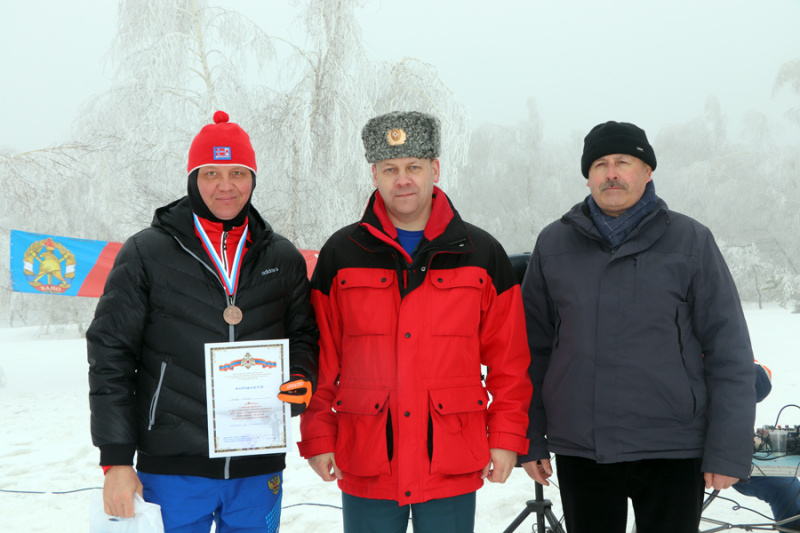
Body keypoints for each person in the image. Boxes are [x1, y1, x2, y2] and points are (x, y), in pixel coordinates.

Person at [297, 111, 532, 533]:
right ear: (375, 174)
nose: (402, 180)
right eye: (390, 169)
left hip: (451, 462)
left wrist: (506, 437)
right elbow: (322, 356)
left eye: (413, 167)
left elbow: (510, 362)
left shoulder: (481, 254)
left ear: (435, 170)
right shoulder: (341, 253)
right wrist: (317, 434)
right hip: (369, 461)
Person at [518, 120, 757, 533]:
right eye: (600, 164)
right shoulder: (553, 244)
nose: (611, 173)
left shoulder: (691, 241)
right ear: (588, 176)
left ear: (647, 172)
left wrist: (727, 451)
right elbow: (529, 350)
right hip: (581, 449)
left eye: (623, 162)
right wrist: (530, 438)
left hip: (673, 448)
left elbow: (729, 351)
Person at [87, 111, 319, 533]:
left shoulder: (282, 257)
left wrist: (301, 376)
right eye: (211, 173)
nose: (225, 186)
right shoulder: (146, 253)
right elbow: (110, 356)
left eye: (237, 173)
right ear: (193, 178)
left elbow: (304, 333)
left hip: (256, 467)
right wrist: (117, 460)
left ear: (253, 178)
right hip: (171, 467)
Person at [732, 362, 800, 529]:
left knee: (786, 485)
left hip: (732, 450)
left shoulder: (729, 351)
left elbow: (761, 375)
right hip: (685, 455)